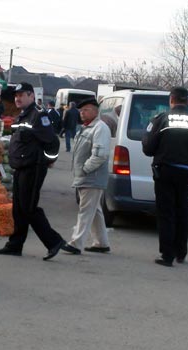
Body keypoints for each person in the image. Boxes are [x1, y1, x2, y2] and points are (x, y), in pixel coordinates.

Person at [0, 82, 65, 261]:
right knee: (19, 208)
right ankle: (15, 245)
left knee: (29, 207)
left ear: (32, 96)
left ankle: (53, 241)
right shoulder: (23, 115)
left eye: (22, 95)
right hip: (21, 167)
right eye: (16, 95)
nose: (18, 98)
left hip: (33, 168)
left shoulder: (39, 116)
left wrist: (48, 161)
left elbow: (53, 143)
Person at [142, 86, 188, 267]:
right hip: (187, 173)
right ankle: (181, 252)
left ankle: (167, 255)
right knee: (182, 211)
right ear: (187, 101)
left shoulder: (161, 119)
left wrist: (147, 138)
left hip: (165, 172)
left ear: (171, 100)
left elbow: (148, 149)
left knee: (166, 213)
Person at [60, 98, 112, 255]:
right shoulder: (86, 127)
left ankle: (76, 244)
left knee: (85, 211)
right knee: (94, 211)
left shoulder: (100, 128)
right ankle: (102, 243)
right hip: (86, 177)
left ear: (96, 111)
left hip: (92, 178)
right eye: (81, 110)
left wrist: (84, 170)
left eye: (87, 110)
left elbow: (100, 155)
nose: (82, 113)